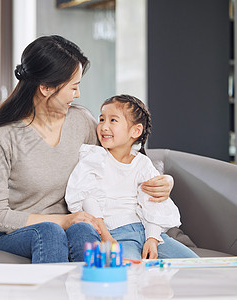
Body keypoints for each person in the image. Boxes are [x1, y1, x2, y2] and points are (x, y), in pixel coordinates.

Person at [0, 35, 174, 263]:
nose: (78, 95)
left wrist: (165, 181)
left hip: (77, 224)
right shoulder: (1, 137)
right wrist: (64, 220)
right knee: (50, 231)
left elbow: (117, 163)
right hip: (22, 233)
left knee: (82, 232)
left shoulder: (81, 121)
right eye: (73, 87)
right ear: (46, 88)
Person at [65, 94, 198, 260]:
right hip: (116, 235)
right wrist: (106, 237)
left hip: (147, 232)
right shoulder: (94, 158)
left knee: (193, 264)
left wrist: (152, 239)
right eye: (101, 119)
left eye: (113, 120)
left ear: (135, 131)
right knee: (131, 274)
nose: (104, 126)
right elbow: (87, 199)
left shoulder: (143, 163)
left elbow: (153, 203)